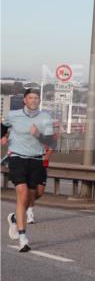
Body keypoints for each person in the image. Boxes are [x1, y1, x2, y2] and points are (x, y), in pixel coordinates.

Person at [2, 88, 56, 252]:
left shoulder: (45, 117)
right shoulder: (13, 115)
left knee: (36, 194)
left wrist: (38, 135)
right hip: (17, 157)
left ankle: (14, 218)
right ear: (24, 100)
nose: (33, 100)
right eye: (30, 98)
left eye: (36, 98)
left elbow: (52, 143)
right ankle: (23, 239)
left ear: (39, 101)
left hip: (36, 159)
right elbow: (2, 126)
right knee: (23, 194)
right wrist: (2, 136)